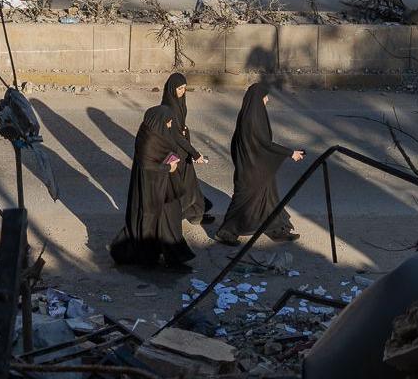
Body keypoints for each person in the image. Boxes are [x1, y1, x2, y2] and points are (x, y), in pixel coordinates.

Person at [215, 83, 305, 245]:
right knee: (244, 199)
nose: (267, 100)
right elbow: (264, 143)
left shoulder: (250, 114)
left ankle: (276, 229)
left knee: (268, 196)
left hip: (257, 166)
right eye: (265, 96)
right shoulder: (253, 119)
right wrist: (290, 153)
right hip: (252, 169)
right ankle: (226, 232)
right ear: (258, 99)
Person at [108, 104, 193, 270]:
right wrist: (169, 168)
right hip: (152, 191)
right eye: (168, 122)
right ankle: (157, 258)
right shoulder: (149, 140)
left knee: (168, 223)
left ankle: (172, 258)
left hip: (164, 189)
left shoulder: (155, 132)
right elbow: (147, 165)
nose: (169, 125)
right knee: (153, 224)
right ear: (160, 122)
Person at [160, 73, 215, 227]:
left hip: (182, 149)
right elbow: (175, 136)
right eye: (179, 88)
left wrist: (185, 130)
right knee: (182, 183)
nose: (182, 91)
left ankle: (196, 213)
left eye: (184, 88)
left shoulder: (178, 102)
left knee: (189, 182)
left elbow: (179, 129)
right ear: (172, 89)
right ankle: (180, 214)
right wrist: (195, 154)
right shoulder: (169, 106)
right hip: (176, 152)